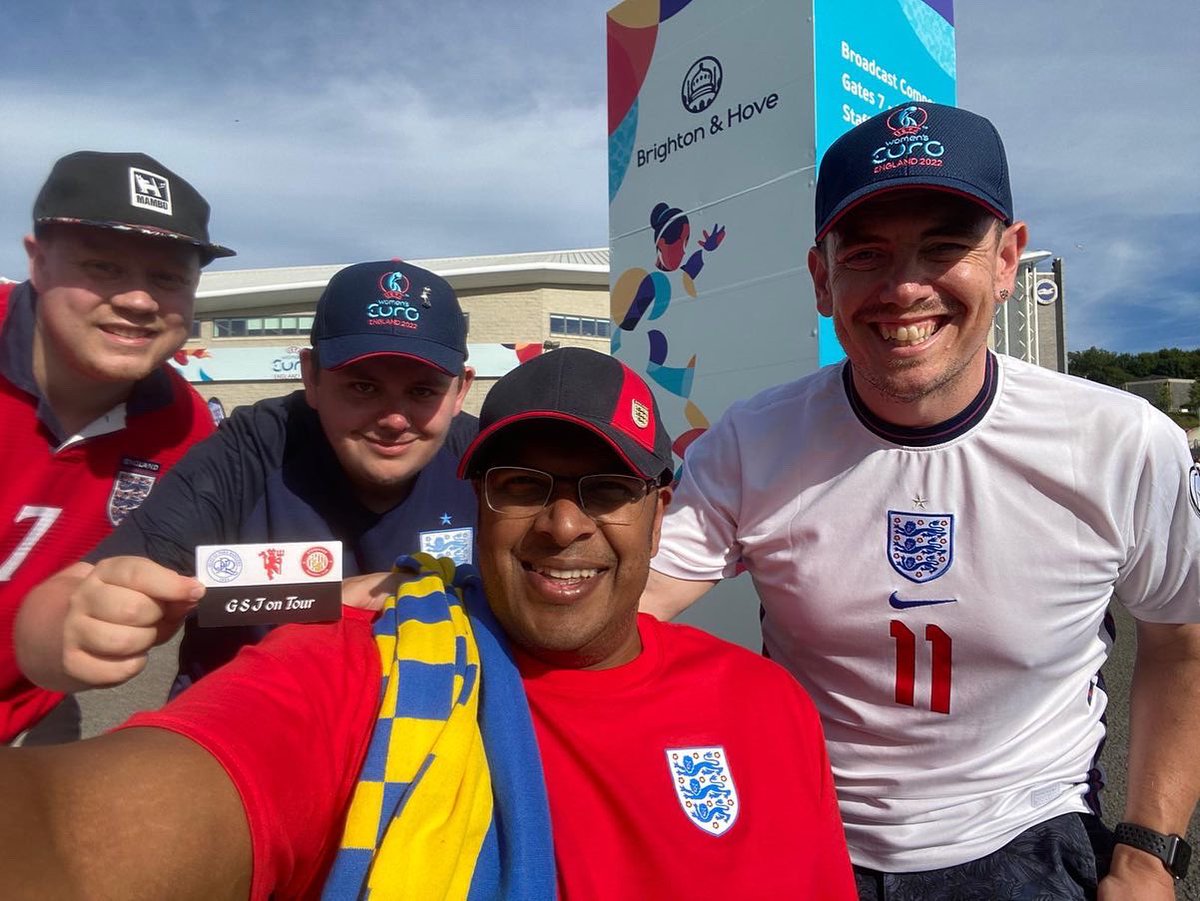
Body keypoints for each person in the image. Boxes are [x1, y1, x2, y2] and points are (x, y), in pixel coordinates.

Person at [0, 348, 855, 899]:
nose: (563, 525)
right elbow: (75, 838)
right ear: (477, 499)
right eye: (522, 485)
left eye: (605, 490)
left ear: (659, 509)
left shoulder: (765, 702)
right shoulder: (374, 671)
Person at [641, 102, 1200, 898]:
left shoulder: (1121, 441)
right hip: (807, 833)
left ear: (1008, 261)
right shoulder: (754, 440)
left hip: (1026, 836)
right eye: (866, 254)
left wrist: (1148, 854)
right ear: (821, 280)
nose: (905, 288)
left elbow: (1180, 640)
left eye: (944, 247)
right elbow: (635, 598)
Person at [15, 259, 479, 698]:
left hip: (423, 746)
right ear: (311, 378)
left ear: (461, 390)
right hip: (236, 738)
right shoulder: (254, 448)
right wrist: (70, 632)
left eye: (422, 391)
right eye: (363, 386)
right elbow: (66, 603)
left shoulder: (489, 461)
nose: (395, 419)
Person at [0, 150, 233, 742]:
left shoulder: (186, 429)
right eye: (103, 267)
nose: (138, 300)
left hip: (30, 714)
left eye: (168, 278)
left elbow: (229, 575)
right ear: (38, 262)